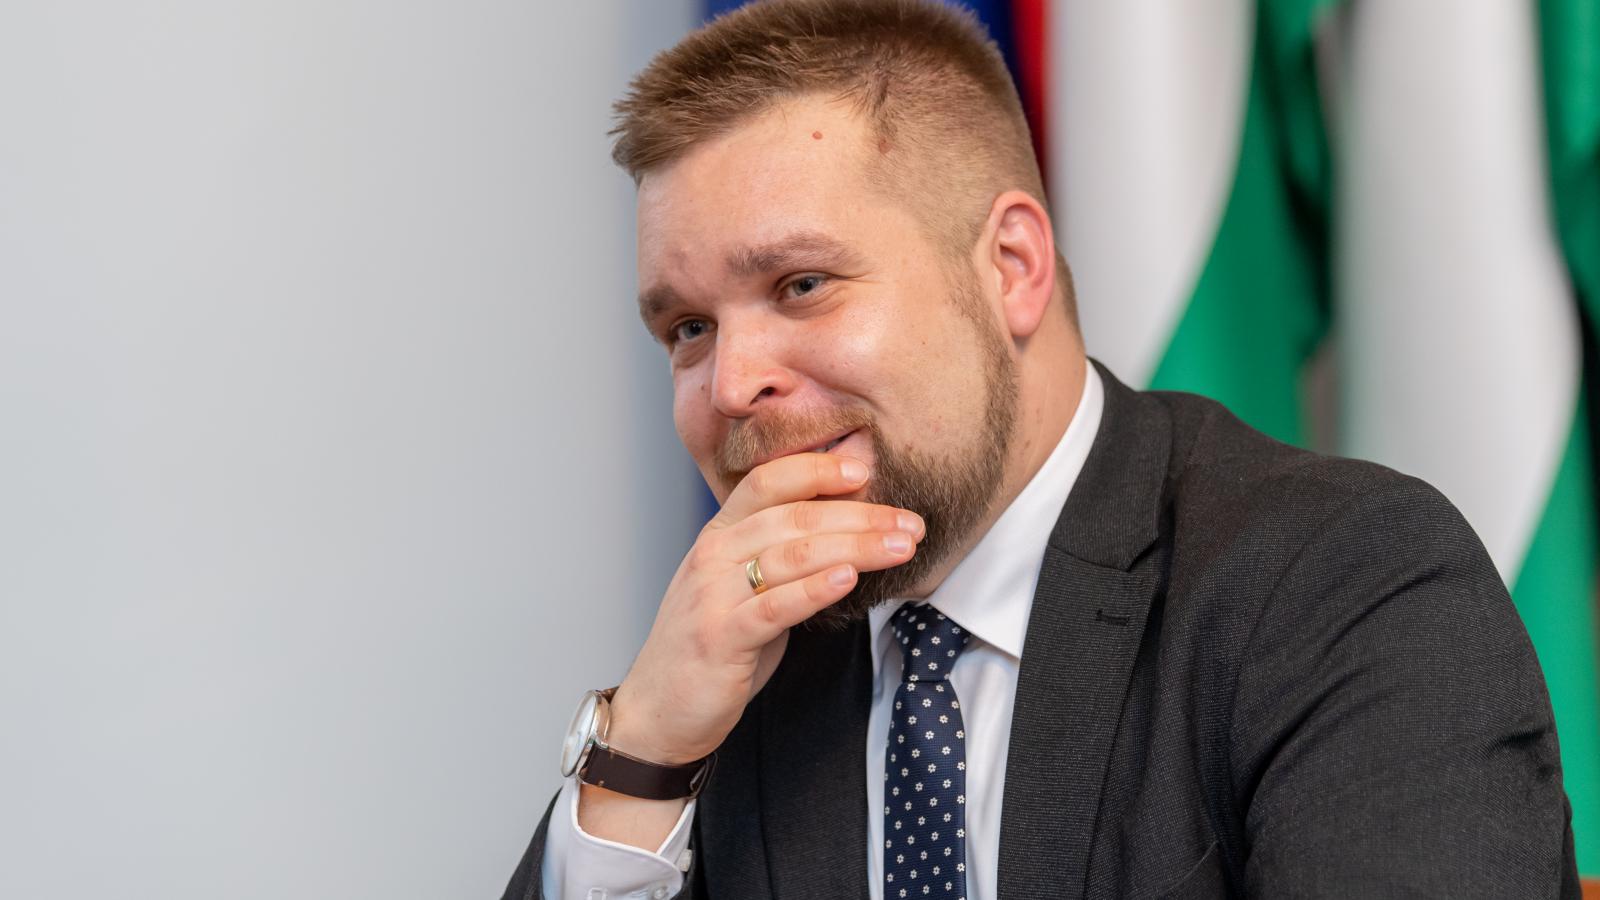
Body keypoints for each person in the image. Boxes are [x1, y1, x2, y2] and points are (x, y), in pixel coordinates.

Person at [504, 1, 1579, 897]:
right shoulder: (734, 668)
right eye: (688, 328)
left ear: (1012, 266)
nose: (732, 383)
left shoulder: (1344, 581)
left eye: (802, 284)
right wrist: (643, 748)